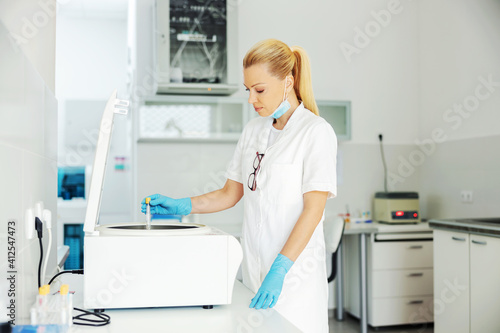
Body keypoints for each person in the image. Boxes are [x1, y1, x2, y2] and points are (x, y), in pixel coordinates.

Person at [141, 39, 337, 333]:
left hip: (295, 281)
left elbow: (313, 210)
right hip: (254, 275)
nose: (251, 100)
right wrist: (182, 205)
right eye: (248, 90)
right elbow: (230, 193)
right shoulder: (253, 130)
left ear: (288, 81)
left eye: (259, 90)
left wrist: (280, 269)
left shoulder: (315, 132)